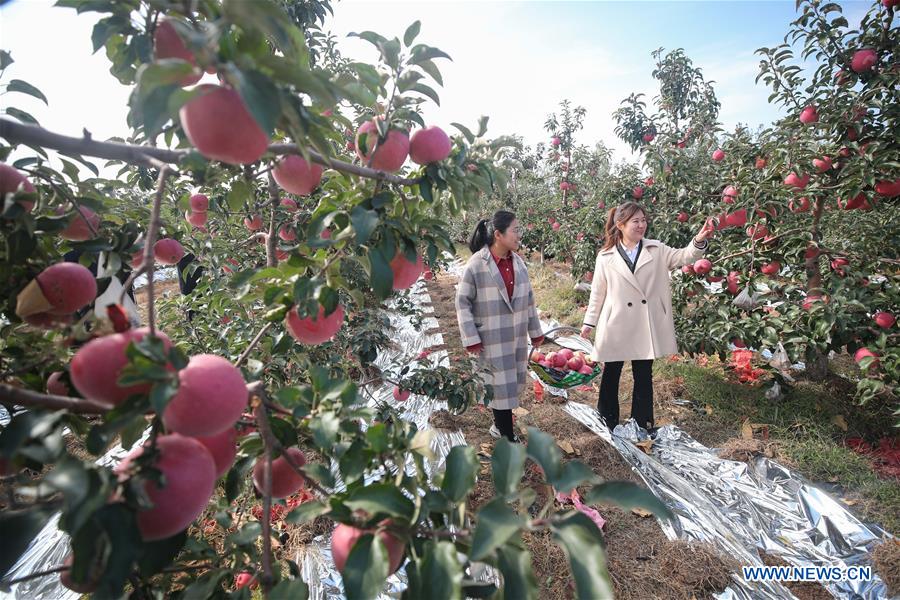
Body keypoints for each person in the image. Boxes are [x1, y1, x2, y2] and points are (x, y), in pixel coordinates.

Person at [580, 201, 715, 432]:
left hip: (644, 322)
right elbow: (598, 292)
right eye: (635, 221)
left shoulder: (656, 249)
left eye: (643, 220)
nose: (641, 225)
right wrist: (589, 323)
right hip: (616, 321)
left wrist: (698, 241)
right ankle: (607, 419)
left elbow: (683, 256)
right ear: (621, 225)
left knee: (643, 374)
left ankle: (642, 423)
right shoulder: (606, 256)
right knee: (611, 371)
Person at [456, 210, 544, 443]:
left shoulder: (519, 263)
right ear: (498, 234)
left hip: (514, 334)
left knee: (509, 383)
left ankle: (499, 426)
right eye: (515, 230)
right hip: (490, 336)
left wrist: (536, 332)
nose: (519, 235)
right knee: (498, 385)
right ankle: (506, 434)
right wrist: (471, 337)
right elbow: (462, 302)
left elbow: (529, 300)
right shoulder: (477, 264)